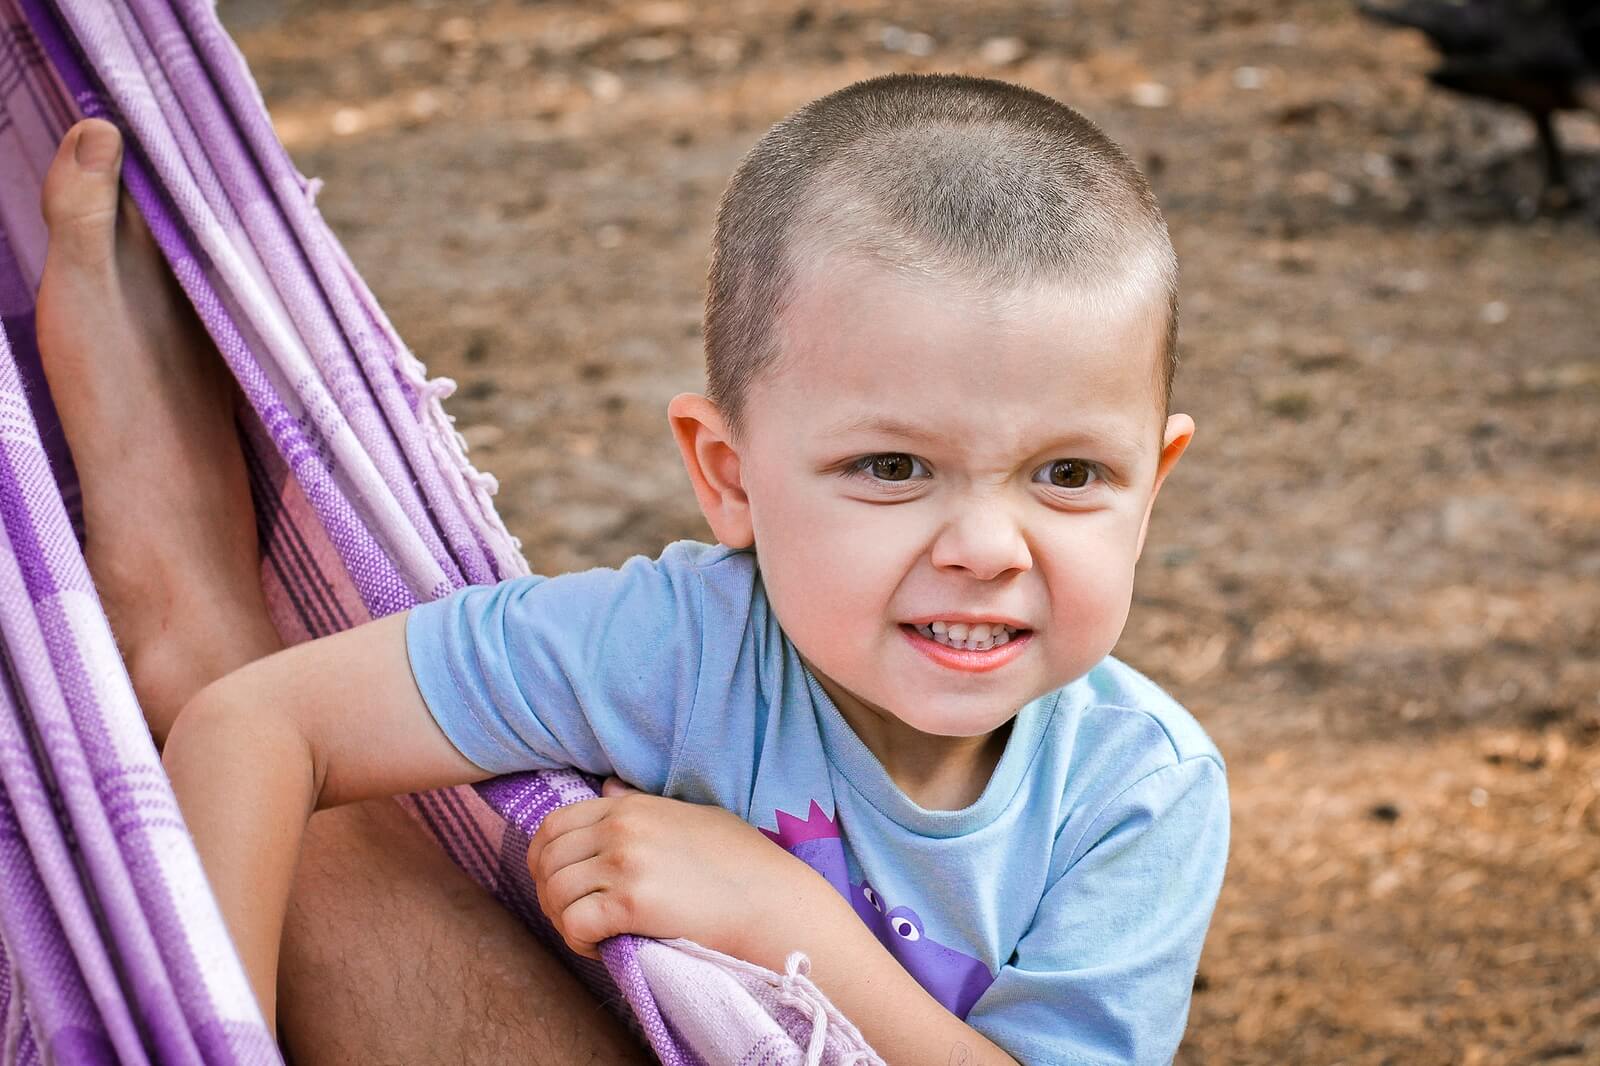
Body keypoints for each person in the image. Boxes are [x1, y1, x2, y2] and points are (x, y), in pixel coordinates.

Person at [36, 73, 1228, 1065]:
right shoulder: (683, 647)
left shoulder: (1137, 789)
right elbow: (256, 725)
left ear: (1155, 485)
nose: (983, 546)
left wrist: (780, 919)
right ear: (728, 476)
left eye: (1069, 475)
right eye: (890, 466)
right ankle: (185, 616)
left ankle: (189, 610)